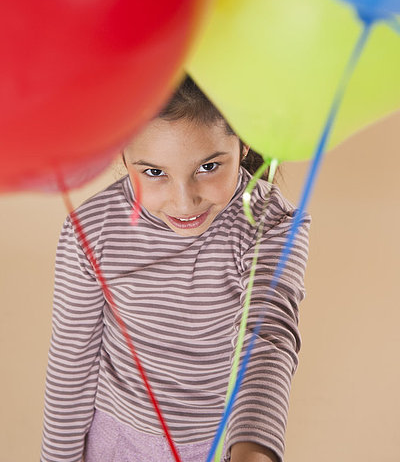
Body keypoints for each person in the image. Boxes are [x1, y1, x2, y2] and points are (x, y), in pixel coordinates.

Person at [41, 75, 310, 462]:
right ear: (122, 155)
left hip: (218, 445)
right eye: (154, 173)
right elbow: (71, 362)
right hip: (115, 441)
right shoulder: (92, 229)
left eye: (209, 166)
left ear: (244, 141)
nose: (184, 203)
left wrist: (252, 451)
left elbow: (267, 337)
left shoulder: (273, 223)